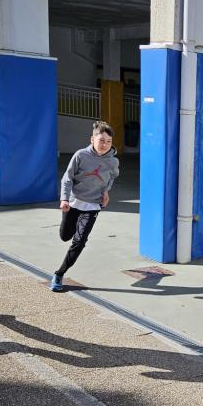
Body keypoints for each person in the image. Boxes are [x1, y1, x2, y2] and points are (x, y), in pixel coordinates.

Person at [49, 121, 120, 292]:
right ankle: (70, 225)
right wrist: (64, 199)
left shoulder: (113, 161)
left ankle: (59, 274)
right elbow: (67, 178)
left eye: (109, 141)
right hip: (74, 202)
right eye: (101, 140)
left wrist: (106, 191)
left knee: (79, 242)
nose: (105, 145)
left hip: (93, 205)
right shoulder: (80, 155)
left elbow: (112, 176)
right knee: (65, 236)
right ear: (92, 139)